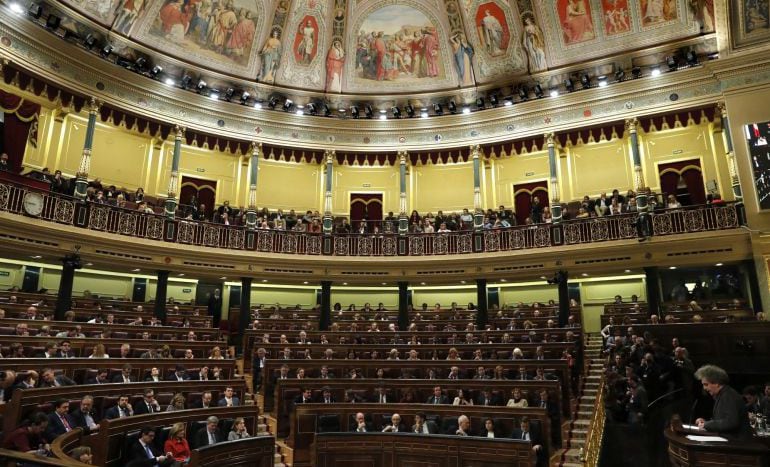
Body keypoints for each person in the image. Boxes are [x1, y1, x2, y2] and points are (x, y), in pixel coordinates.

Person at [694, 365, 752, 438]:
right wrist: (706, 423)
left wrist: (706, 425)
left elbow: (731, 422)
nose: (704, 388)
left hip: (738, 444)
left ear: (717, 383)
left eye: (706, 384)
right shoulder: (724, 394)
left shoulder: (728, 396)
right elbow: (723, 420)